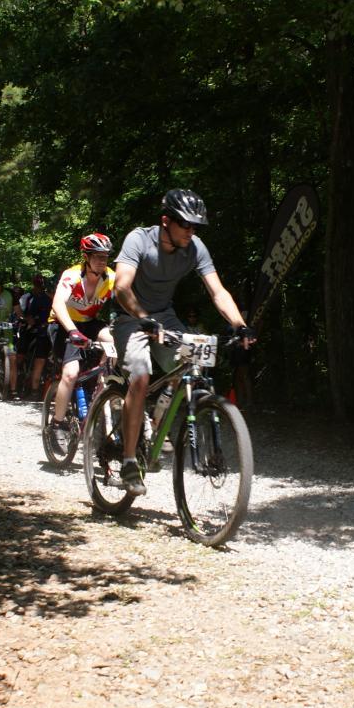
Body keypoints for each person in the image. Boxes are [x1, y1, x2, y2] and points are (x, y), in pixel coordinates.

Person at [112, 189, 254, 496]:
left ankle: (156, 424)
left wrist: (239, 326)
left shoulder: (195, 248)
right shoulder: (139, 239)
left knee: (194, 364)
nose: (191, 231)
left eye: (196, 227)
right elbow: (121, 287)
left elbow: (217, 291)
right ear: (166, 222)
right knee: (139, 376)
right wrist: (142, 316)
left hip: (164, 317)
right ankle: (127, 461)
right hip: (130, 317)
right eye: (186, 225)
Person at [47, 233, 116, 438]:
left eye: (105, 257)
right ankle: (57, 425)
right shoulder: (72, 275)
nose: (102, 261)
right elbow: (58, 304)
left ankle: (103, 382)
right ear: (86, 257)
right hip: (63, 324)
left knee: (115, 340)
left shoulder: (111, 278)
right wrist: (73, 331)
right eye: (97, 256)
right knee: (70, 373)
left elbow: (124, 302)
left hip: (89, 324)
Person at [19, 273, 53, 398]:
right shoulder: (28, 297)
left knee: (40, 360)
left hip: (44, 332)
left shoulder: (48, 298)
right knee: (23, 355)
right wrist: (28, 320)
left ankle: (35, 390)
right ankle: (23, 381)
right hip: (33, 330)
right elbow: (24, 314)